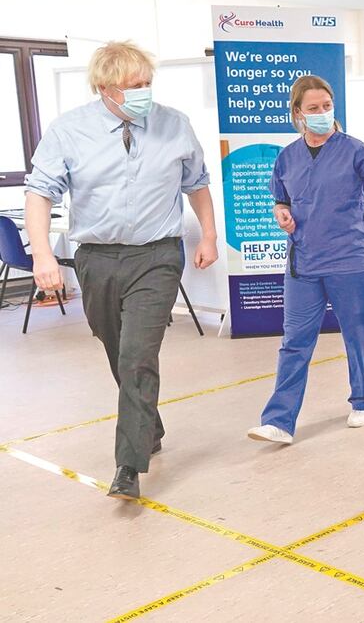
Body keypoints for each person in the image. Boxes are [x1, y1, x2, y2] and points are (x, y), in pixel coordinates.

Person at [24, 41, 219, 501]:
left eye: (147, 83)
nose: (143, 93)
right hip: (97, 258)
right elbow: (39, 192)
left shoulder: (175, 125)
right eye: (134, 86)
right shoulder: (69, 130)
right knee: (115, 347)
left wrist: (208, 235)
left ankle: (128, 466)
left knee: (137, 353)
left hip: (156, 255)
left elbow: (198, 184)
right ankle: (148, 426)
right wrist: (42, 256)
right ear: (106, 89)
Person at [247, 75, 364, 445]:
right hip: (304, 262)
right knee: (295, 341)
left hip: (349, 257)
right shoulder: (287, 156)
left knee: (358, 332)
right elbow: (282, 199)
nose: (321, 114)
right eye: (313, 109)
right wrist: (280, 212)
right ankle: (279, 422)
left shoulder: (354, 150)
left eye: (326, 107)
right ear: (298, 113)